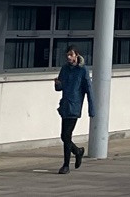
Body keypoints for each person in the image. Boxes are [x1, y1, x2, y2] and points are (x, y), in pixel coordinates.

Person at [53, 46, 91, 174]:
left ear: (76, 55)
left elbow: (89, 90)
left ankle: (66, 165)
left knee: (66, 135)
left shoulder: (83, 70)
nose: (68, 57)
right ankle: (77, 151)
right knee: (64, 136)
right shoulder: (64, 69)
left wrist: (92, 109)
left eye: (71, 55)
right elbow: (60, 88)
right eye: (67, 55)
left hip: (74, 106)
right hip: (65, 106)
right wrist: (57, 84)